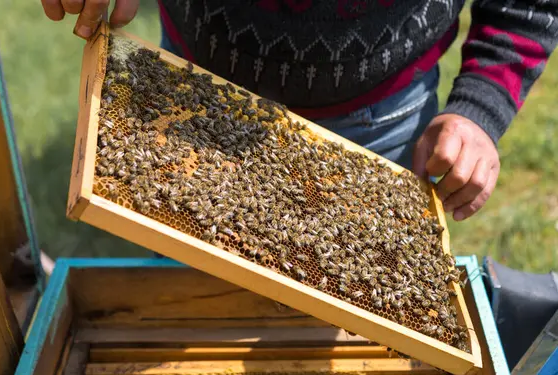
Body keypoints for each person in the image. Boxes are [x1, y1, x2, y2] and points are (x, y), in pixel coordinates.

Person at [41, 0, 558, 221]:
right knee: (181, 297)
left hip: (380, 116)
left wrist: (481, 103)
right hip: (191, 92)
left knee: (353, 329)